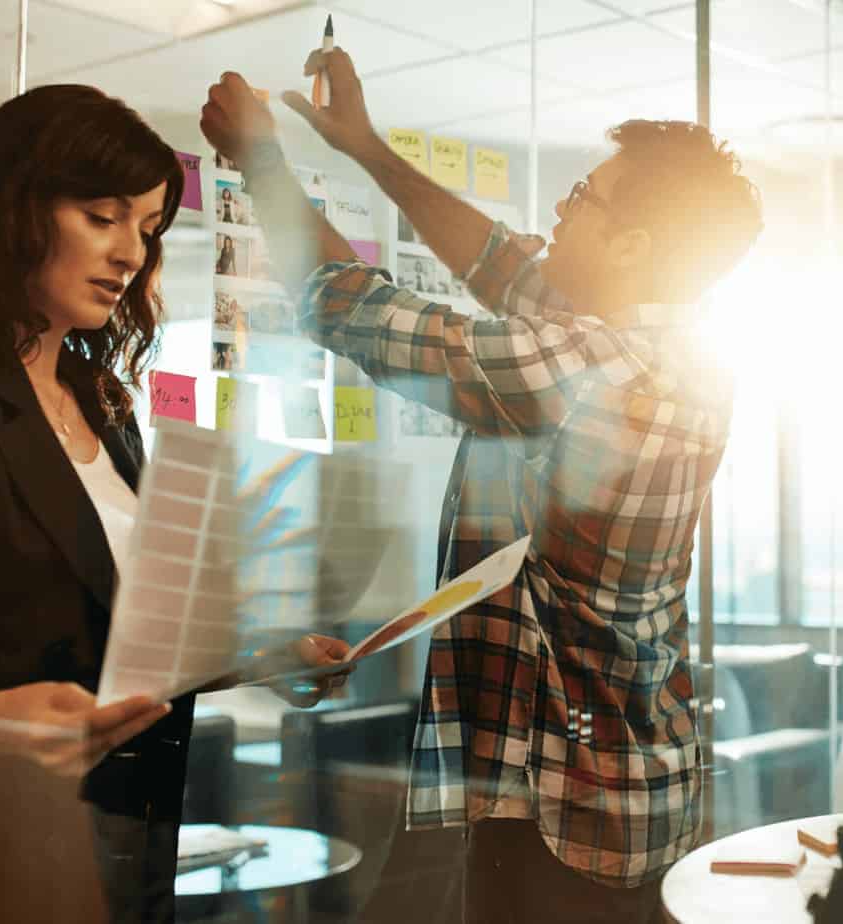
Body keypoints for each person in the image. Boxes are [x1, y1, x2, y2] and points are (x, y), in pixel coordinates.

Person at [201, 43, 762, 922]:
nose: (559, 213)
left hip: (561, 809)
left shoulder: (591, 370)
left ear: (635, 244)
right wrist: (365, 146)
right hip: (633, 791)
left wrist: (264, 159)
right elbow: (500, 263)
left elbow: (346, 301)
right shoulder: (677, 354)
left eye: (584, 200)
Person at [0, 84, 351, 923]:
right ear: (11, 209)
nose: (131, 256)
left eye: (148, 231)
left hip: (120, 844)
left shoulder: (102, 400)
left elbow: (114, 633)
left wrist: (256, 654)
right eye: (102, 217)